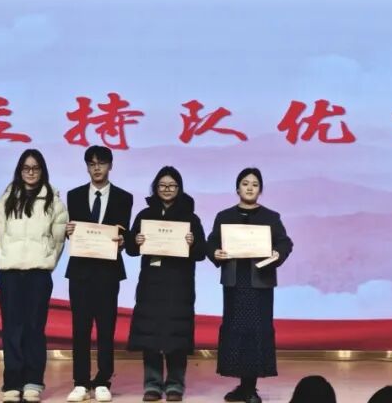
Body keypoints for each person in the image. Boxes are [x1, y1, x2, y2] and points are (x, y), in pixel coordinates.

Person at [207, 167, 293, 403]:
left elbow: (285, 243)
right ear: (237, 188)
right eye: (245, 183)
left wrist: (277, 253)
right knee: (236, 331)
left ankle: (250, 387)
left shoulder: (271, 217)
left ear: (260, 190)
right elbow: (211, 242)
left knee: (256, 332)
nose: (249, 188)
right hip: (235, 283)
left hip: (260, 283)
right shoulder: (224, 216)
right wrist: (215, 252)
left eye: (255, 184)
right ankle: (243, 386)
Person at [125, 166, 207, 402]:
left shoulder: (191, 217)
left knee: (176, 335)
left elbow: (202, 252)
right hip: (151, 283)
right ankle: (152, 384)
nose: (167, 189)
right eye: (162, 185)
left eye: (172, 185)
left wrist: (192, 242)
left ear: (179, 188)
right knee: (150, 334)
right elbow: (131, 249)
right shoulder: (145, 215)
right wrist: (136, 239)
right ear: (155, 188)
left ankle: (175, 385)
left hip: (179, 283)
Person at [0, 149, 67, 403]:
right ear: (20, 170)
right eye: (26, 168)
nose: (31, 172)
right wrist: (7, 257)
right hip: (10, 273)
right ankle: (12, 382)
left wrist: (47, 260)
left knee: (35, 328)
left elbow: (58, 240)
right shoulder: (6, 199)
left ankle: (33, 381)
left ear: (42, 170)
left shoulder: (54, 201)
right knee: (12, 328)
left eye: (35, 168)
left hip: (38, 274)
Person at [65, 145, 134, 403]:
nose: (97, 168)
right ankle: (81, 382)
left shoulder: (124, 197)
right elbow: (72, 232)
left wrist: (124, 240)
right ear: (86, 167)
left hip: (108, 272)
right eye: (92, 163)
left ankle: (104, 380)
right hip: (80, 272)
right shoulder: (73, 195)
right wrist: (68, 231)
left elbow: (124, 233)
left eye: (101, 163)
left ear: (110, 166)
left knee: (106, 328)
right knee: (80, 329)